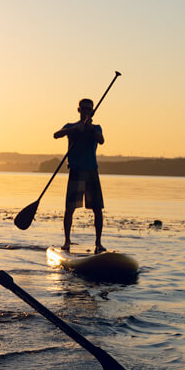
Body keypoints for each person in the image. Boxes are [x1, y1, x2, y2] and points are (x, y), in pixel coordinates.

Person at [54, 98, 106, 254]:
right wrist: (77, 129)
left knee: (97, 209)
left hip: (91, 172)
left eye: (89, 109)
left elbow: (101, 140)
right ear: (79, 110)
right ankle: (67, 241)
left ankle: (98, 243)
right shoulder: (71, 126)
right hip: (76, 171)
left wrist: (89, 128)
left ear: (92, 112)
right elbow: (56, 135)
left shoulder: (96, 128)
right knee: (70, 208)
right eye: (83, 108)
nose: (86, 111)